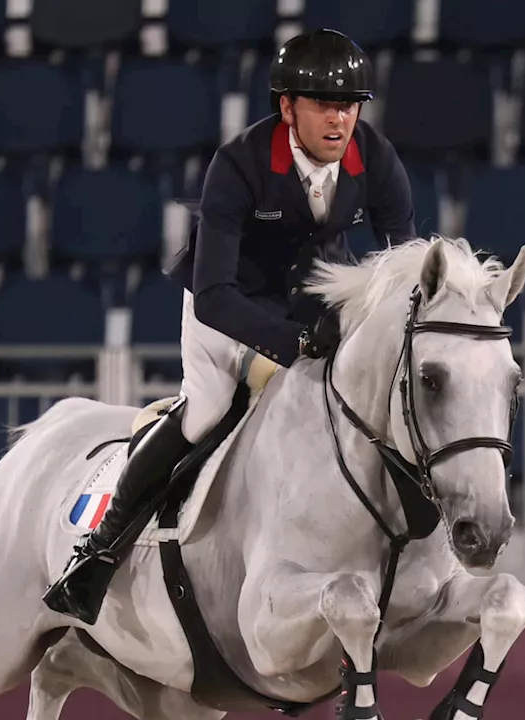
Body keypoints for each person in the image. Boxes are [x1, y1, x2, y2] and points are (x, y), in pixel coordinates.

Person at [42, 28, 419, 625]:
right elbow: (216, 294)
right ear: (287, 106)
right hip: (226, 309)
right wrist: (293, 346)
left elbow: (405, 266)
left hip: (310, 303)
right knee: (207, 413)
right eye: (323, 104)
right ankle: (98, 552)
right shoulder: (239, 164)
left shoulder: (374, 157)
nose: (339, 119)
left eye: (349, 105)